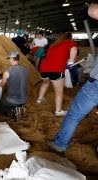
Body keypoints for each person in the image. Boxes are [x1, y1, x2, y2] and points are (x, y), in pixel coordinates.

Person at [48, 2, 98, 153]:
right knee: (60, 90)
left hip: (96, 83)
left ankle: (59, 144)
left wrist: (88, 8)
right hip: (59, 70)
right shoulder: (70, 45)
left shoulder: (55, 44)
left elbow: (95, 10)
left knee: (75, 114)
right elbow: (71, 60)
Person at [37, 32, 77, 116]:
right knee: (59, 91)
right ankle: (58, 111)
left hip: (44, 68)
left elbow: (54, 56)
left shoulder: (53, 45)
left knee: (45, 83)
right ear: (70, 37)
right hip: (56, 70)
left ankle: (39, 100)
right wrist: (71, 62)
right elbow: (74, 50)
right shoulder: (70, 43)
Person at [0, 51, 29, 119]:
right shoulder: (25, 70)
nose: (9, 60)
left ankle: (11, 112)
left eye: (9, 59)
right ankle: (19, 108)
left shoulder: (7, 72)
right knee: (9, 100)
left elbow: (2, 85)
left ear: (12, 59)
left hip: (13, 101)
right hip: (24, 99)